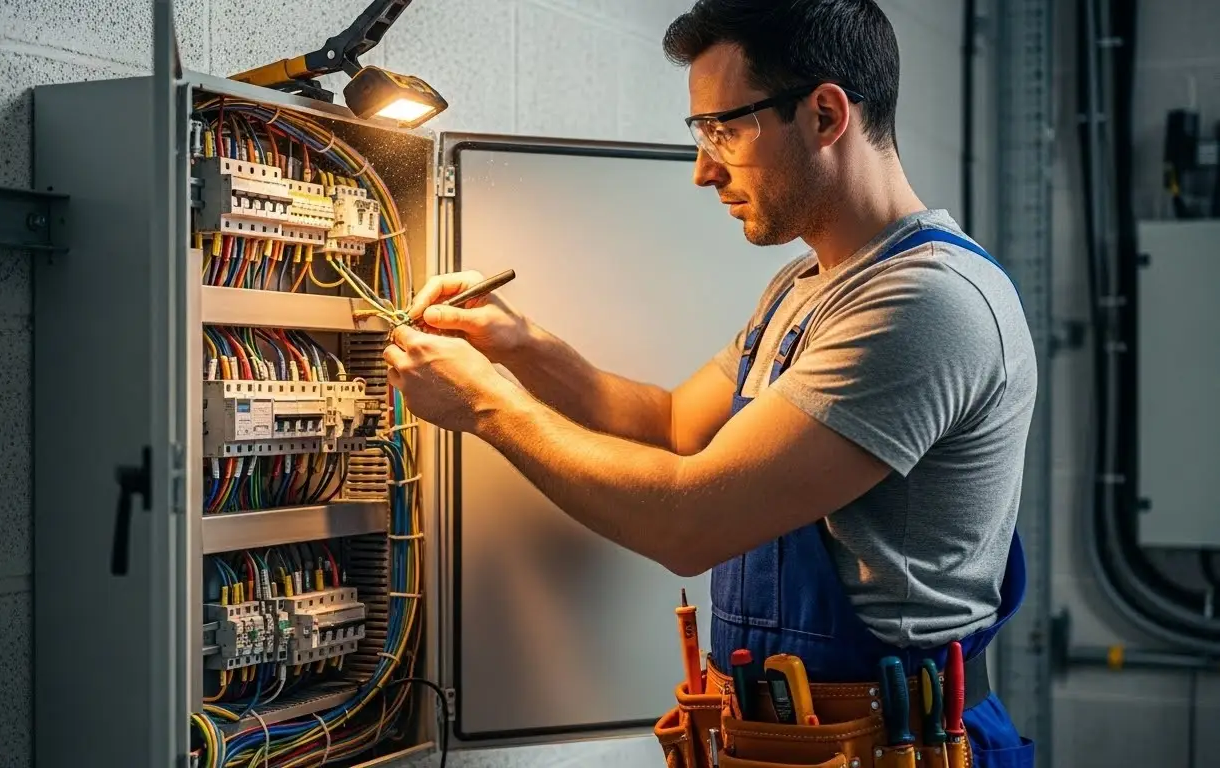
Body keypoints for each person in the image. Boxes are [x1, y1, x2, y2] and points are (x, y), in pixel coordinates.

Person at [382, 0, 1036, 765]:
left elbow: (689, 524)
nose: (703, 170)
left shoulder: (926, 303)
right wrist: (519, 346)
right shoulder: (806, 288)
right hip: (775, 741)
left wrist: (485, 405)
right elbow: (669, 424)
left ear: (825, 114)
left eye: (723, 130)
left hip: (883, 743)